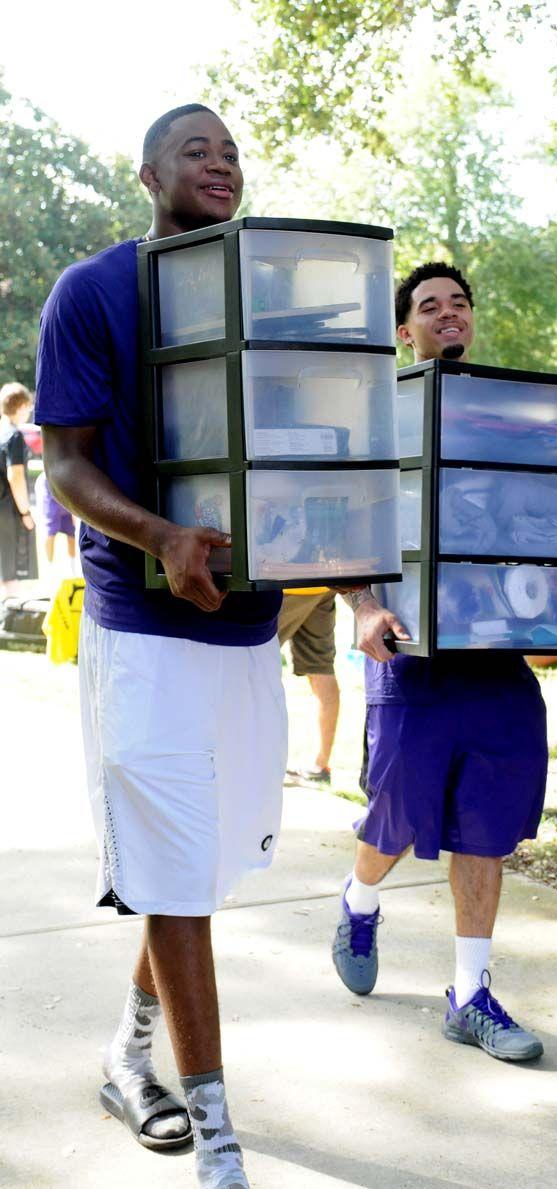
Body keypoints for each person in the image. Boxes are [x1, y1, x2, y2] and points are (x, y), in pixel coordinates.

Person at [35, 104, 288, 1189]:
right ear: (147, 174)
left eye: (232, 151)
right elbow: (67, 464)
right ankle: (216, 1126)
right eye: (197, 150)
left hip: (247, 625)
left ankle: (127, 1056)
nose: (220, 164)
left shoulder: (271, 292)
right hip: (142, 624)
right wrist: (162, 536)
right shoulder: (92, 292)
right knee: (177, 880)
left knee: (204, 868)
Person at [332, 263, 548, 1062]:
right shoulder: (379, 419)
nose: (449, 314)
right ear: (405, 330)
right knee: (399, 813)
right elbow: (336, 521)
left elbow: (546, 516)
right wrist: (361, 606)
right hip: (408, 653)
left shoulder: (503, 417)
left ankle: (469, 993)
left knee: (484, 824)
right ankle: (359, 899)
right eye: (430, 306)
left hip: (494, 656)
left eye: (459, 304)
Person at [279, 587, 341, 785]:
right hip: (324, 581)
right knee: (321, 669)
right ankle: (320, 764)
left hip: (286, 581)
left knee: (253, 660)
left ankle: (257, 763)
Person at [0, 382, 38, 596]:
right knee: (11, 571)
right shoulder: (13, 436)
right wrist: (25, 512)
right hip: (9, 511)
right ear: (22, 406)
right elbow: (15, 476)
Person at [34, 469, 77, 571]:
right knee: (50, 533)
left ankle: (72, 567)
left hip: (66, 486)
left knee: (71, 534)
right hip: (50, 484)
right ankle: (49, 566)